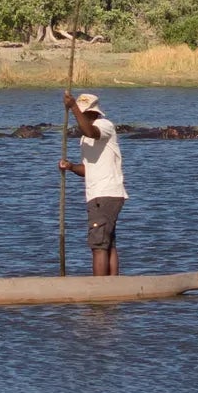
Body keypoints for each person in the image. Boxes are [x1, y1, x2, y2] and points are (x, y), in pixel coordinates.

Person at [59, 92, 127, 276]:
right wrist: (71, 167)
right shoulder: (85, 138)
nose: (78, 117)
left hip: (106, 194)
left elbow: (91, 131)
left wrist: (73, 106)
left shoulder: (103, 126)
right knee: (107, 242)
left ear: (92, 113)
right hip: (97, 194)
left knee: (98, 244)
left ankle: (100, 289)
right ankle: (113, 285)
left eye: (81, 113)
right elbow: (89, 169)